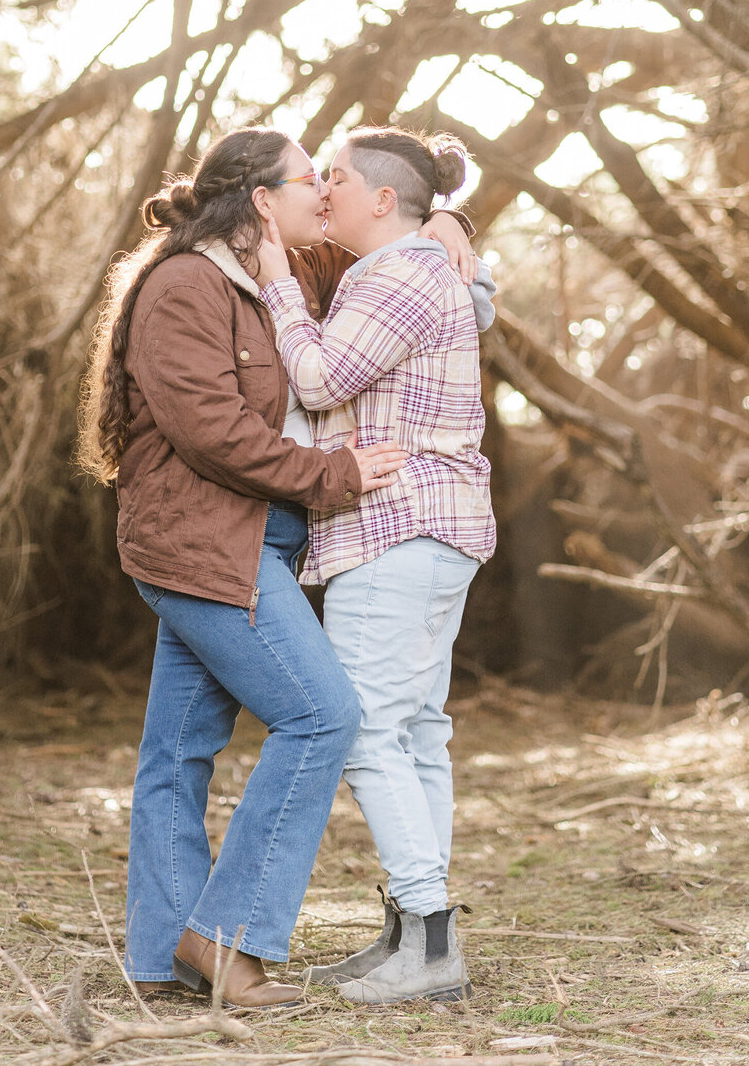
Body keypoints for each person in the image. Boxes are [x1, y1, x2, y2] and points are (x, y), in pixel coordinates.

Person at [75, 126, 473, 1009]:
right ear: (263, 199)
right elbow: (212, 431)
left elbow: (401, 223)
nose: (323, 194)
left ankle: (165, 957)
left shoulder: (286, 272)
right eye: (308, 180)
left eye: (329, 181)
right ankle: (227, 939)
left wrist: (452, 221)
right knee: (325, 713)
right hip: (207, 547)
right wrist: (333, 475)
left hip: (248, 544)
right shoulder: (186, 285)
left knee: (177, 750)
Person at [254, 128, 495, 1006]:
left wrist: (278, 283)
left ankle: (428, 938)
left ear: (384, 200)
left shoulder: (399, 273)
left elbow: (320, 379)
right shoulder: (417, 265)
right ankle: (414, 934)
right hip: (431, 529)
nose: (325, 189)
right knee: (417, 730)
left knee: (366, 729)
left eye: (339, 176)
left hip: (397, 527)